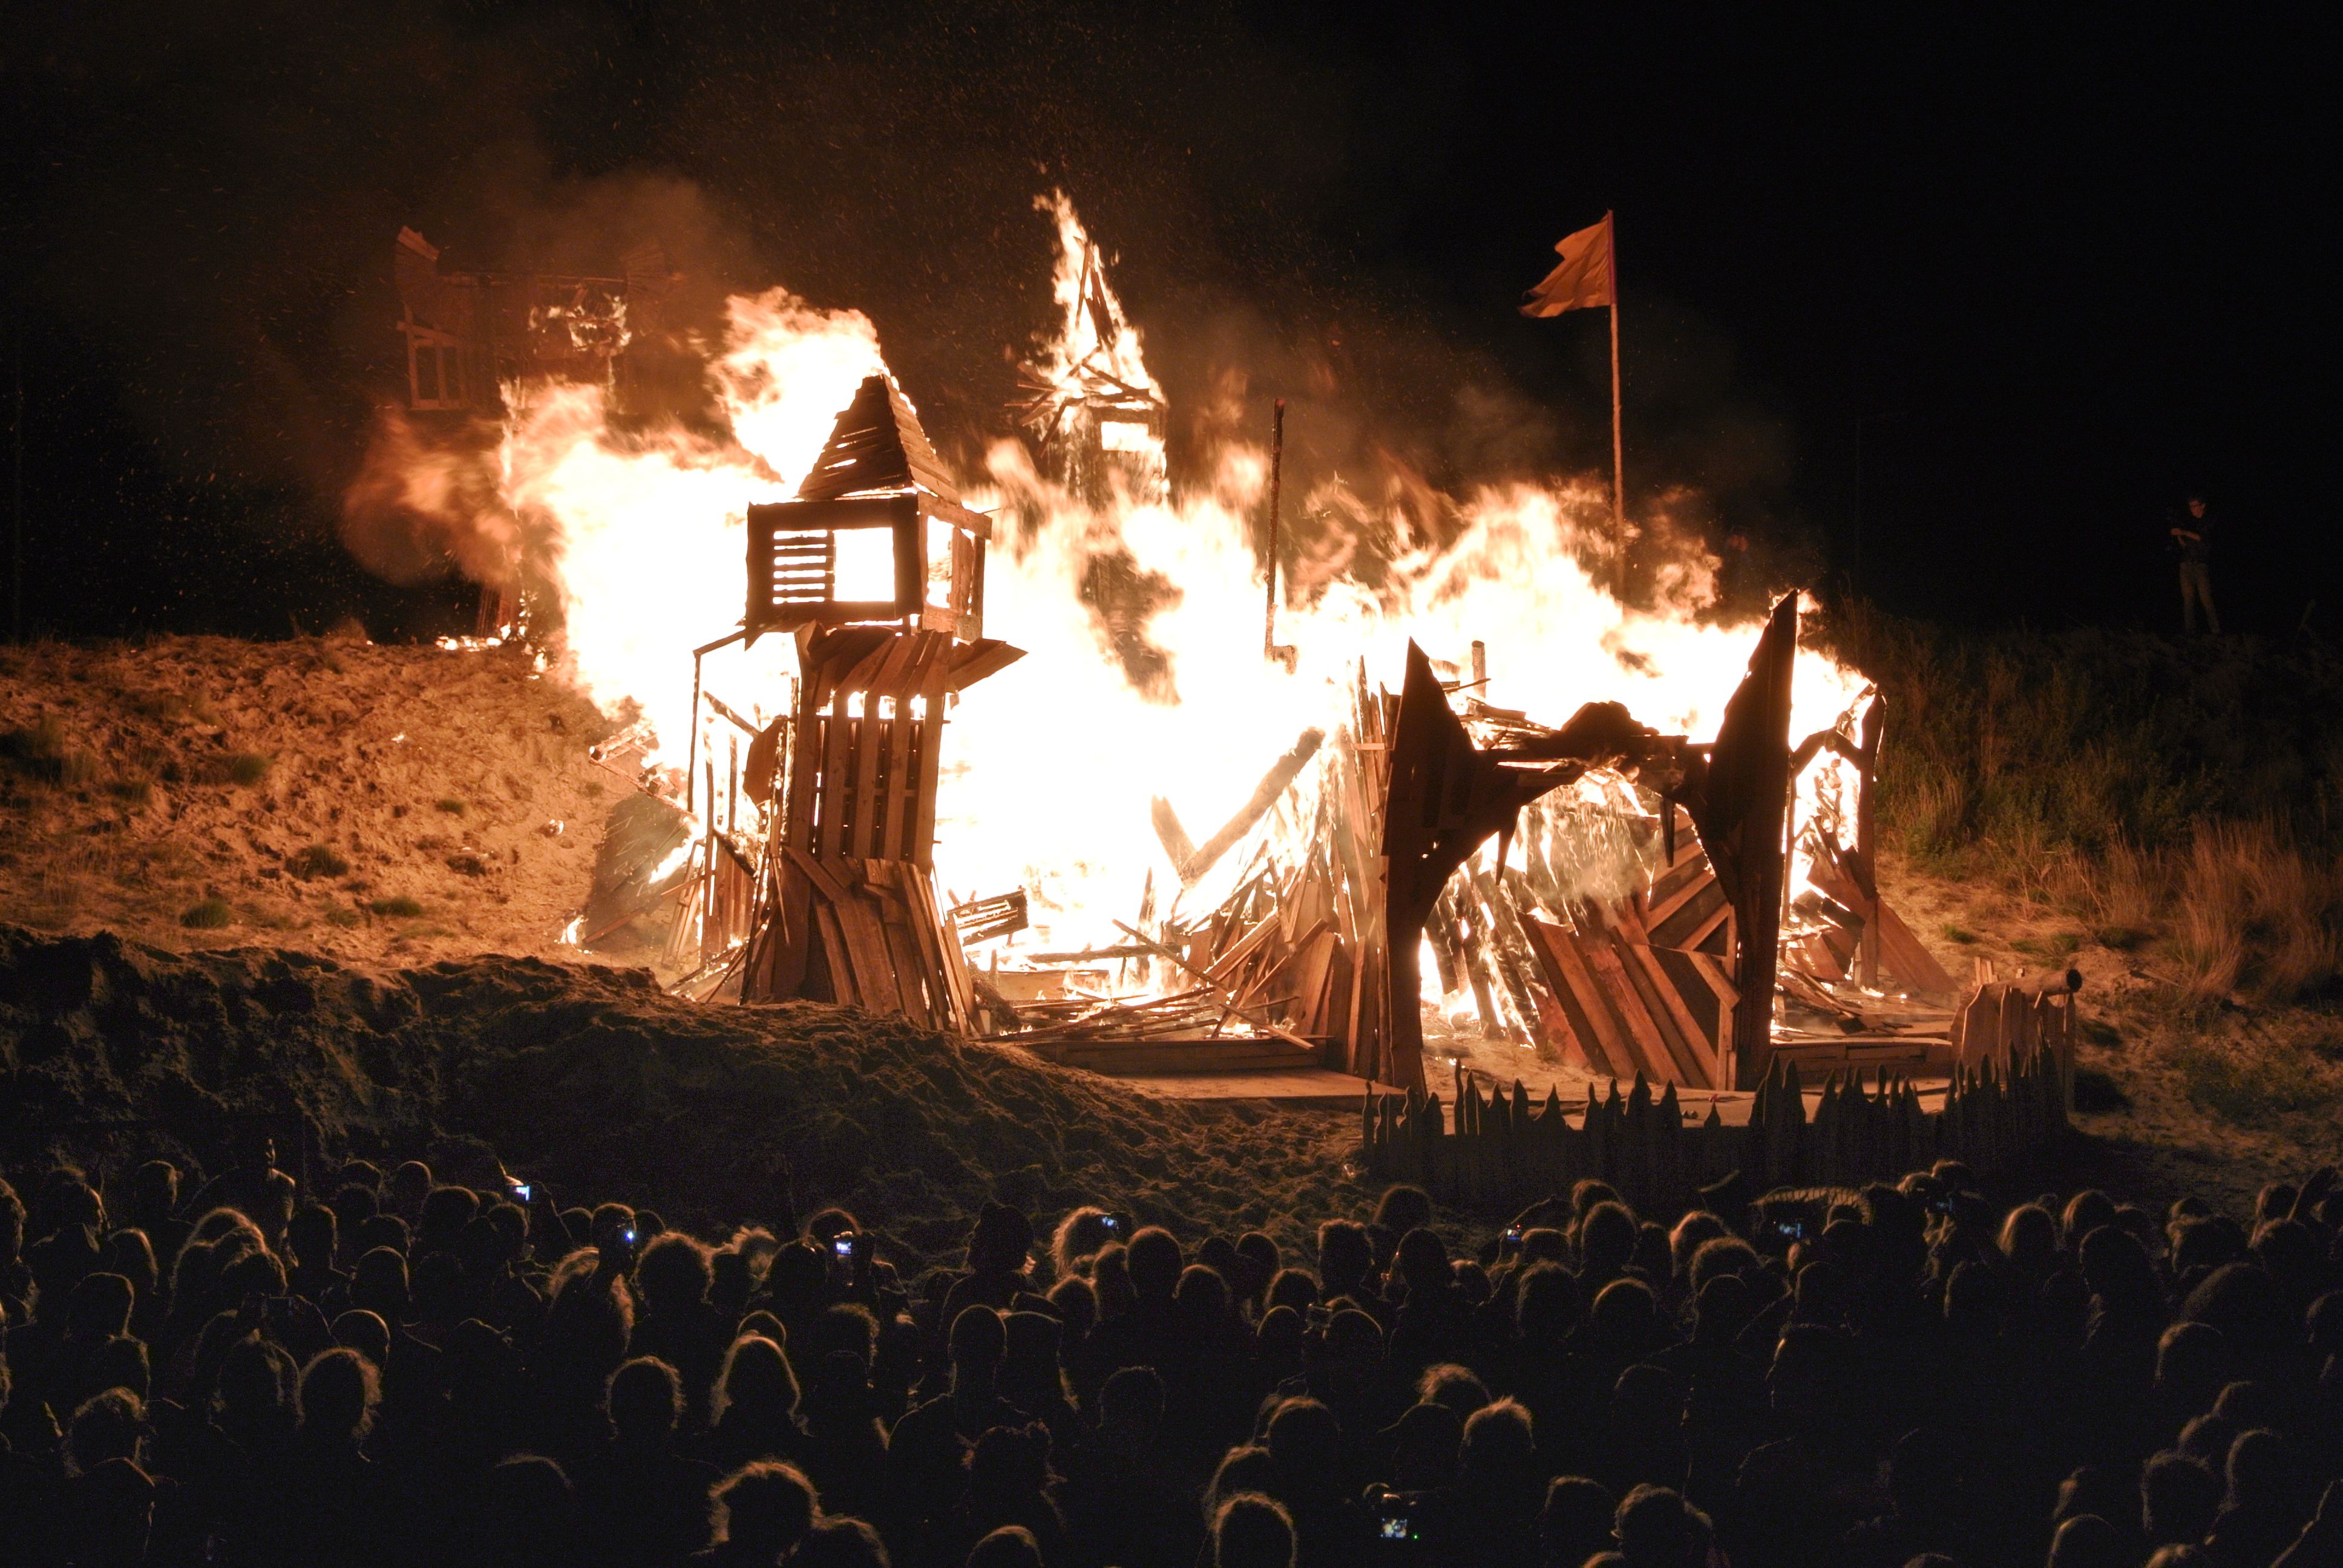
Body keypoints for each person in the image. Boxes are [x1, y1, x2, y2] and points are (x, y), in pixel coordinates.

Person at [2171, 492, 2220, 635]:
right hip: (2186, 564)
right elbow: (2184, 546)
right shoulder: (2189, 522)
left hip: (2201, 565)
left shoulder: (2209, 521)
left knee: (2206, 599)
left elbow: (2203, 538)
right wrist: (2179, 535)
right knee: (2188, 599)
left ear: (2203, 506)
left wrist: (2184, 532)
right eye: (2191, 507)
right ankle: (2190, 631)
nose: (2193, 509)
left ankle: (2216, 630)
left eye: (2195, 506)